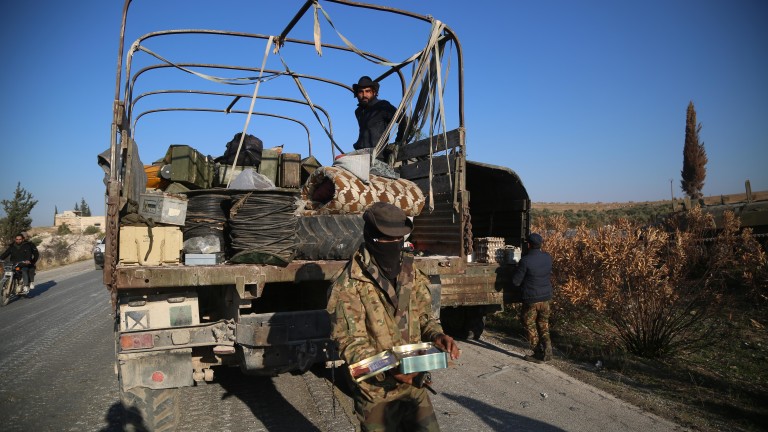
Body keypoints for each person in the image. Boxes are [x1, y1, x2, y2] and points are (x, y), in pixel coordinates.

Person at [327, 202, 460, 431]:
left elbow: (424, 318)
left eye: (398, 240)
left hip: (414, 387)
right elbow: (351, 346)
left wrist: (437, 336)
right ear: (369, 237)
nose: (393, 246)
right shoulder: (348, 285)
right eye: (386, 240)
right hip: (376, 392)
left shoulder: (411, 272)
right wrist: (393, 369)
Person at [512, 233, 554, 363]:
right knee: (543, 324)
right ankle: (548, 351)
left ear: (528, 245)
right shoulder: (547, 257)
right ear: (540, 244)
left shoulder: (525, 261)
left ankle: (537, 353)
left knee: (529, 324)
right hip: (546, 297)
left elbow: (516, 282)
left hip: (532, 299)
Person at [352, 76, 405, 152]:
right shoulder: (358, 111)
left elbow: (403, 120)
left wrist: (398, 142)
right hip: (361, 152)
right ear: (357, 94)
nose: (364, 95)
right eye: (361, 92)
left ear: (374, 92)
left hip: (377, 153)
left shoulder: (382, 106)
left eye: (368, 91)